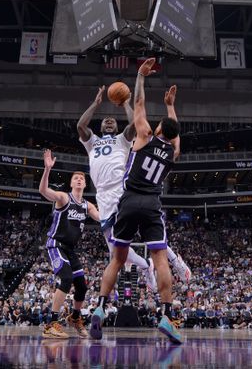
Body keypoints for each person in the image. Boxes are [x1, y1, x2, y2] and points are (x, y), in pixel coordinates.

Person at [90, 57, 183, 344]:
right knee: (160, 260)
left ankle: (101, 307)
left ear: (156, 131)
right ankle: (166, 315)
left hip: (129, 201)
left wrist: (141, 77)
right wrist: (170, 106)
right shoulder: (171, 153)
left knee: (117, 259)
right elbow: (175, 135)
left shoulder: (143, 136)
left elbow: (139, 105)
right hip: (153, 205)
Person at [77, 87, 191, 290]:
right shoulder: (92, 142)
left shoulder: (123, 138)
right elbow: (80, 125)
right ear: (100, 126)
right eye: (106, 120)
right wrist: (96, 104)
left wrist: (126, 104)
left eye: (113, 120)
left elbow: (135, 124)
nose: (110, 121)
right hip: (103, 195)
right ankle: (146, 265)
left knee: (144, 232)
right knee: (115, 249)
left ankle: (174, 260)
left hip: (124, 189)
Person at [39, 149, 100, 338]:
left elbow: (101, 219)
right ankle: (52, 323)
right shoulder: (64, 197)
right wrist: (47, 170)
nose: (79, 180)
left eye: (82, 178)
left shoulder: (87, 205)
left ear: (85, 183)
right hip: (55, 245)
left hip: (70, 249)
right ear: (71, 183)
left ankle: (75, 317)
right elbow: (43, 191)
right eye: (76, 178)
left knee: (81, 286)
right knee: (66, 279)